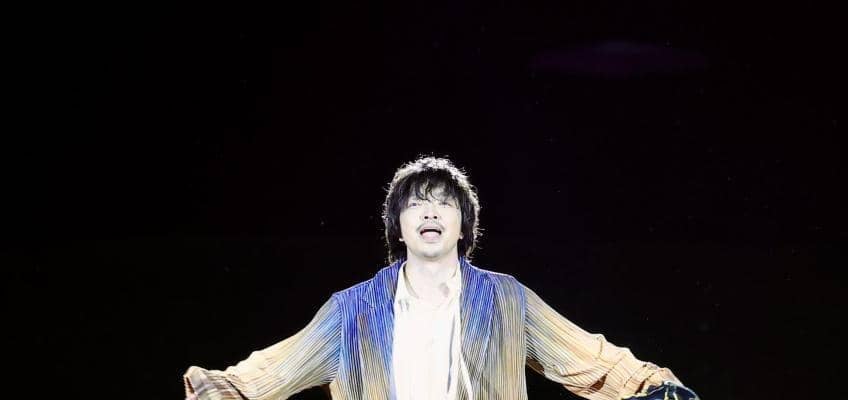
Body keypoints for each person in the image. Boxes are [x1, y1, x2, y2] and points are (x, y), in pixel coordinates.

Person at [183, 156, 699, 400]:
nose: (430, 212)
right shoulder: (351, 310)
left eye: (444, 204)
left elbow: (588, 357)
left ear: (463, 226)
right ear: (398, 227)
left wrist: (654, 386)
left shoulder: (506, 299)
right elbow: (275, 369)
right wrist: (218, 390)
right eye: (416, 205)